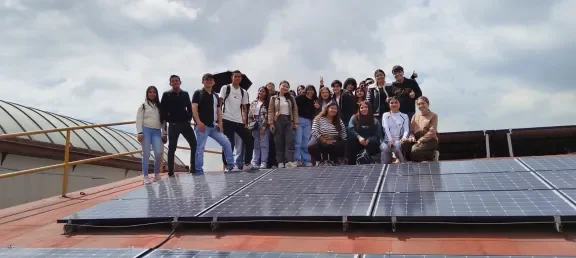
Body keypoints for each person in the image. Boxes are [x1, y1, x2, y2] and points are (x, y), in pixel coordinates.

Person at [191, 73, 234, 173]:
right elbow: (194, 108)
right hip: (202, 126)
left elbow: (218, 110)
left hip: (214, 126)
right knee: (200, 147)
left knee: (226, 142)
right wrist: (198, 122)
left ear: (214, 82)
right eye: (206, 79)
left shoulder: (215, 95)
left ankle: (231, 165)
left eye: (211, 80)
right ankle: (198, 170)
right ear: (202, 81)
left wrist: (220, 123)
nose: (209, 81)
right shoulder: (198, 93)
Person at [160, 75, 196, 177]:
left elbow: (189, 108)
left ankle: (193, 169)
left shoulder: (185, 94)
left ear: (180, 82)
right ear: (170, 83)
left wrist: (189, 119)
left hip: (185, 124)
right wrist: (169, 120)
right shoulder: (166, 95)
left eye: (177, 81)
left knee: (194, 144)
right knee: (172, 148)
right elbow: (163, 111)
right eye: (173, 81)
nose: (175, 82)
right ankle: (171, 172)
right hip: (173, 125)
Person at [219, 70, 254, 170]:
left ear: (241, 78)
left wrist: (245, 121)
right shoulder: (226, 88)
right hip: (226, 119)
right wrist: (219, 120)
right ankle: (228, 166)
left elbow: (244, 108)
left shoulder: (244, 92)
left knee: (250, 139)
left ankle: (247, 163)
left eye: (239, 77)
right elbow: (220, 103)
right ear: (232, 77)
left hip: (239, 121)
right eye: (235, 76)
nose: (237, 78)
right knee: (228, 142)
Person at [136, 86, 166, 184]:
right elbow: (139, 120)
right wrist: (140, 132)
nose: (152, 94)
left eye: (154, 92)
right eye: (150, 92)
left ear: (156, 94)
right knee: (146, 153)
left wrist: (164, 133)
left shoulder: (160, 107)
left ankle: (156, 174)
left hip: (157, 131)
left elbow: (163, 121)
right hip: (146, 131)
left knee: (158, 153)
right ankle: (145, 176)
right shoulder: (143, 106)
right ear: (147, 94)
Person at [268, 80, 299, 168]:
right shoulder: (274, 98)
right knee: (279, 141)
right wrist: (270, 123)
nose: (285, 88)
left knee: (290, 141)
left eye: (287, 87)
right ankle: (280, 162)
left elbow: (295, 110)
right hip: (278, 120)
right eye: (283, 86)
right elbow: (270, 111)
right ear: (279, 86)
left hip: (289, 120)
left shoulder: (291, 98)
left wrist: (296, 122)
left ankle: (289, 161)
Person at [403, 96, 439, 162]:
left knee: (415, 150)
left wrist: (420, 140)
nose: (421, 105)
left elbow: (432, 132)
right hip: (417, 139)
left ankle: (432, 155)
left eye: (423, 103)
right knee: (403, 143)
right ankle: (414, 161)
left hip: (430, 139)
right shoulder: (415, 116)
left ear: (428, 104)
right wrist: (412, 136)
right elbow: (411, 131)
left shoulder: (433, 115)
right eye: (419, 104)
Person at [294, 85, 319, 167]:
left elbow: (316, 112)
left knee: (305, 142)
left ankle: (306, 160)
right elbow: (294, 106)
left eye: (312, 90)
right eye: (308, 90)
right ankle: (296, 160)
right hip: (299, 120)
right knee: (298, 141)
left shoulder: (315, 100)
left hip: (308, 121)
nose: (310, 92)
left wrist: (317, 108)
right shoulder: (300, 97)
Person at [380, 97, 410, 164]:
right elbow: (386, 128)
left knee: (397, 146)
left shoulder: (404, 116)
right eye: (392, 103)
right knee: (384, 148)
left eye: (396, 102)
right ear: (389, 105)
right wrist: (390, 140)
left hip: (399, 140)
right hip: (387, 141)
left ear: (399, 104)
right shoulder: (385, 115)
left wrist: (404, 137)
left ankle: (402, 163)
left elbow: (406, 129)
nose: (394, 104)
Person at [248, 86, 271, 169]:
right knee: (256, 144)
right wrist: (250, 125)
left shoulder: (268, 102)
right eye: (259, 91)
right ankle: (255, 162)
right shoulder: (254, 102)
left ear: (266, 93)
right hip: (255, 123)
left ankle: (264, 161)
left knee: (264, 144)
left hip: (263, 123)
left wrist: (263, 127)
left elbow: (268, 115)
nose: (260, 92)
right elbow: (250, 115)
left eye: (263, 91)